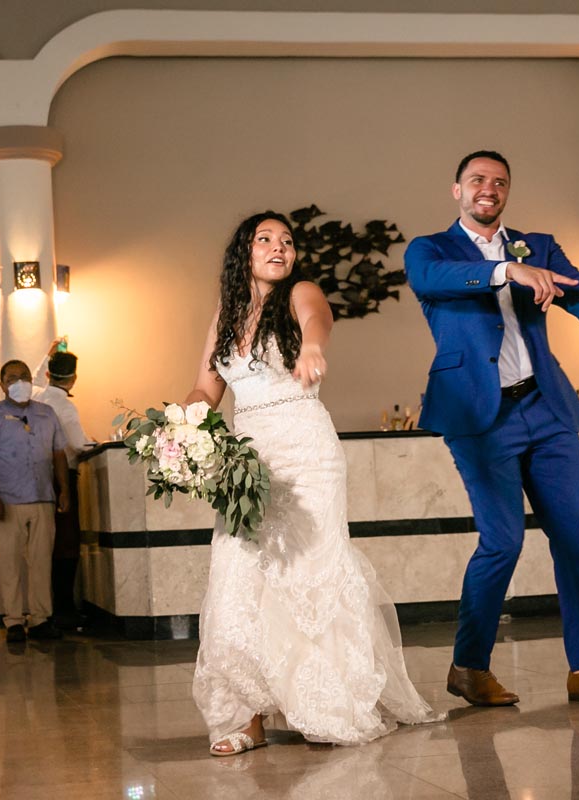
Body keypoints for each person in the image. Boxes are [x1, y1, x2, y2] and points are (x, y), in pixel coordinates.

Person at [186, 211, 439, 757]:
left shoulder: (300, 292)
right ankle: (247, 716)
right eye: (265, 239)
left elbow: (317, 317)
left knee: (307, 573)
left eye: (287, 240)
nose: (278, 247)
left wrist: (312, 345)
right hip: (247, 459)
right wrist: (180, 426)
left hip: (305, 452)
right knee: (239, 577)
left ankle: (320, 703)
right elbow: (205, 390)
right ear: (244, 252)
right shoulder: (225, 316)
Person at [403, 150, 579, 707]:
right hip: (478, 416)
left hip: (546, 408)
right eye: (477, 180)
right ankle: (470, 667)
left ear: (507, 191)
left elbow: (577, 285)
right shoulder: (430, 250)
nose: (488, 189)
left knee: (576, 540)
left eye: (499, 182)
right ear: (458, 191)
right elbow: (433, 280)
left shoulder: (537, 244)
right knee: (503, 542)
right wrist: (506, 270)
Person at [0, 360, 69, 642]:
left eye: (24, 376)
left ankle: (40, 619)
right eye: (12, 378)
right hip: (8, 500)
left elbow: (59, 454)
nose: (20, 382)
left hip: (43, 497)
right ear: (2, 385)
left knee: (41, 563)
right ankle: (13, 621)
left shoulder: (47, 413)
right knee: (11, 563)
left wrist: (64, 490)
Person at [32, 341, 94, 628]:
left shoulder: (37, 396)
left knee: (46, 542)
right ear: (74, 378)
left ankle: (48, 606)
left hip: (37, 477)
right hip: (62, 479)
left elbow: (34, 379)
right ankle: (65, 607)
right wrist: (94, 443)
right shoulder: (65, 407)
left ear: (49, 374)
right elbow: (79, 444)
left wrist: (48, 354)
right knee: (67, 542)